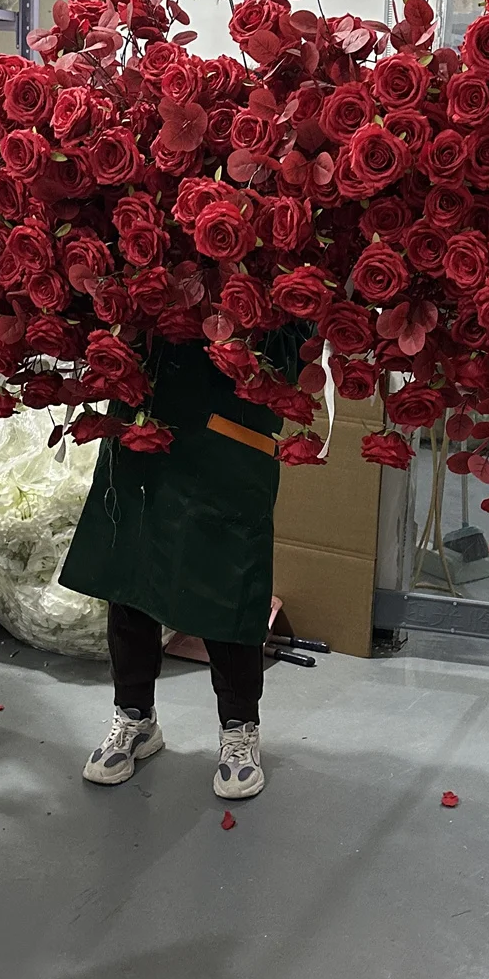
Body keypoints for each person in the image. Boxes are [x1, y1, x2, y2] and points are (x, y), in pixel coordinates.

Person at [61, 333, 299, 801]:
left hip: (233, 405)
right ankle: (135, 717)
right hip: (149, 389)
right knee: (132, 561)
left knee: (228, 571)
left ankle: (239, 725)